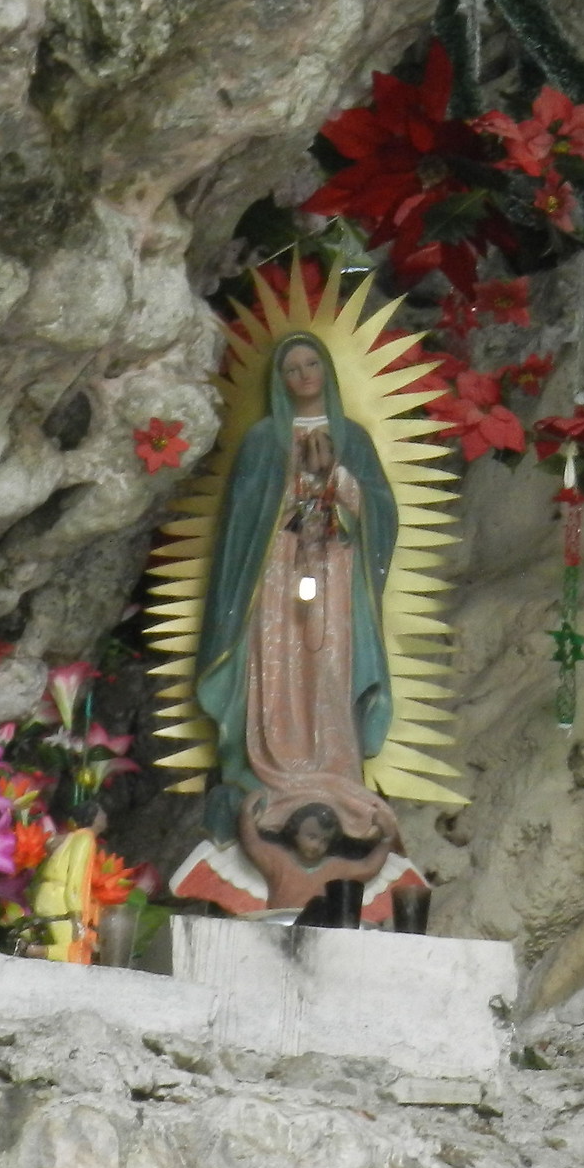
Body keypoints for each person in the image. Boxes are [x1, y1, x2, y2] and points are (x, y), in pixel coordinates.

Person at [190, 333, 403, 909]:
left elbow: (382, 513)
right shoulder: (262, 440)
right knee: (277, 676)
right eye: (292, 368)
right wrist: (291, 490)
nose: (304, 374)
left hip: (336, 582)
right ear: (279, 381)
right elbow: (242, 523)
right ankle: (273, 768)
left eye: (313, 364)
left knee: (328, 677)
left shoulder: (352, 438)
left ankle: (332, 769)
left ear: (328, 372)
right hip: (277, 583)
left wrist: (340, 480)